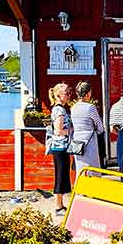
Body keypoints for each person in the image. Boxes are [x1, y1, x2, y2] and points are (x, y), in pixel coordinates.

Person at [49, 83, 74, 213]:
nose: (69, 95)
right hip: (60, 146)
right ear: (58, 95)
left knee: (63, 174)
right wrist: (72, 130)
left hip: (61, 146)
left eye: (69, 92)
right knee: (61, 175)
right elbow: (59, 130)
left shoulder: (60, 109)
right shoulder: (59, 110)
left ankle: (61, 204)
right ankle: (58, 206)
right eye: (66, 93)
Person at [70, 81, 105, 175]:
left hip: (77, 141)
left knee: (80, 167)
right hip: (90, 140)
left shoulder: (73, 108)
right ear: (88, 93)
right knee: (92, 167)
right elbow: (100, 126)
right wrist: (96, 131)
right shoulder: (90, 107)